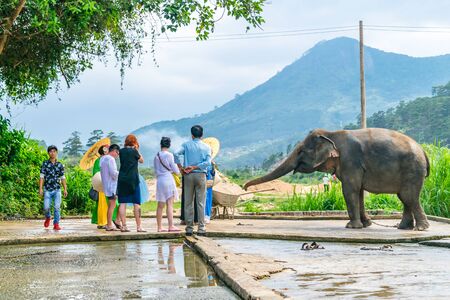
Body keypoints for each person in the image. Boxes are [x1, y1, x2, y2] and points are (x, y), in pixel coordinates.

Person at [175, 125, 211, 236]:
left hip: (188, 175)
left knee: (188, 202)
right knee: (201, 202)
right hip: (201, 175)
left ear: (192, 135)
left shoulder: (186, 145)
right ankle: (201, 227)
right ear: (202, 135)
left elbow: (175, 153)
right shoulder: (207, 147)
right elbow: (208, 162)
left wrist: (181, 167)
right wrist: (196, 167)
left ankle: (189, 228)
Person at [117, 134, 145, 232]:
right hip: (133, 179)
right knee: (136, 203)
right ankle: (139, 227)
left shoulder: (121, 151)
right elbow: (142, 161)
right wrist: (137, 149)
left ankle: (124, 226)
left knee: (122, 203)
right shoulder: (134, 151)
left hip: (122, 179)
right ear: (134, 142)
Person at [154, 137, 181, 232]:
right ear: (169, 145)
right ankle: (171, 226)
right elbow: (176, 170)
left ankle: (159, 227)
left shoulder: (157, 156)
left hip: (160, 181)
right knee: (169, 204)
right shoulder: (169, 155)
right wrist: (177, 171)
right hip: (168, 179)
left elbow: (156, 170)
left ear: (160, 144)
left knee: (160, 205)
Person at [39, 145, 67, 231]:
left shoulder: (60, 165)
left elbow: (63, 178)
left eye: (54, 151)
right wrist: (40, 189)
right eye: (51, 151)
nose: (52, 153)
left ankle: (56, 224)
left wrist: (65, 189)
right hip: (47, 189)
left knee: (57, 207)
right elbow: (42, 177)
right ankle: (48, 217)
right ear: (48, 153)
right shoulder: (45, 163)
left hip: (57, 189)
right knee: (46, 207)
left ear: (56, 153)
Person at [91, 144, 120, 229]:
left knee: (113, 205)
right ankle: (103, 222)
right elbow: (96, 173)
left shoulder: (103, 159)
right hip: (102, 186)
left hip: (105, 185)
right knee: (104, 205)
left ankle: (111, 221)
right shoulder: (102, 160)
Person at [100, 144, 121, 231]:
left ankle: (110, 223)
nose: (117, 155)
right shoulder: (111, 159)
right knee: (112, 205)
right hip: (112, 186)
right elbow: (113, 174)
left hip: (106, 185)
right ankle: (109, 224)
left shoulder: (103, 158)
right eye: (117, 153)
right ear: (115, 151)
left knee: (110, 205)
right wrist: (121, 174)